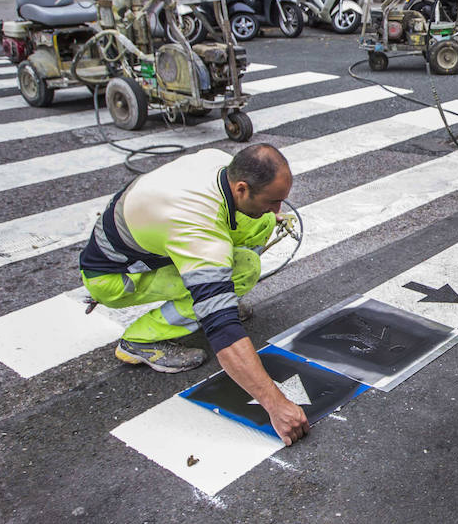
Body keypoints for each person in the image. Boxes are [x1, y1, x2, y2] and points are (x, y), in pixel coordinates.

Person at [79, 144, 309, 444]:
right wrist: (276, 405)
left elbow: (254, 213)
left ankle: (216, 286)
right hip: (115, 276)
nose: (279, 208)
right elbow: (223, 329)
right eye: (273, 200)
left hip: (150, 230)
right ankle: (139, 340)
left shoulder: (220, 164)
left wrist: (266, 212)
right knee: (242, 270)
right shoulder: (196, 227)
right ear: (241, 188)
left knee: (260, 220)